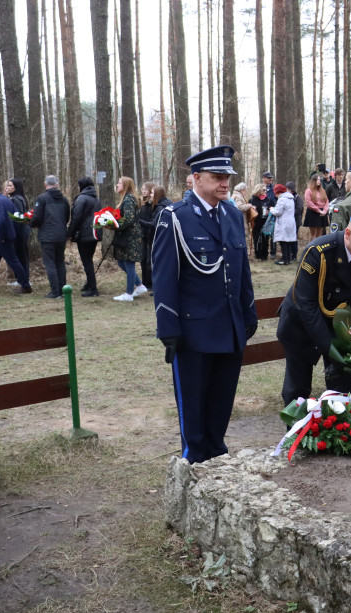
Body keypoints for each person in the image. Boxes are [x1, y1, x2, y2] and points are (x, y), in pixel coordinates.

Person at [152, 145, 258, 464]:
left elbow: (241, 270)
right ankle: (195, 461)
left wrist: (248, 314)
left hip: (229, 327)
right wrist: (168, 328)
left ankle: (217, 454)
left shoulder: (230, 214)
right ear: (196, 179)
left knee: (222, 401)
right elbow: (164, 278)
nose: (225, 183)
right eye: (217, 177)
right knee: (195, 404)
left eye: (227, 177)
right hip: (193, 331)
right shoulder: (175, 217)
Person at [276, 205, 351, 406]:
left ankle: (342, 432)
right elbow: (306, 305)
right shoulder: (318, 252)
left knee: (345, 388)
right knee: (297, 390)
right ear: (348, 233)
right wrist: (330, 349)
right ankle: (296, 434)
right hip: (300, 325)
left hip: (339, 327)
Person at [29, 175, 71, 299]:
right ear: (57, 184)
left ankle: (55, 291)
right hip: (61, 234)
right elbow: (67, 217)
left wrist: (32, 223)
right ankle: (63, 290)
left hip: (47, 236)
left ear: (45, 184)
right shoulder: (64, 200)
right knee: (60, 262)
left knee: (50, 264)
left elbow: (36, 217)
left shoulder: (42, 198)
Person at [112, 176, 146, 302]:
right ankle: (140, 286)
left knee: (128, 262)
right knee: (121, 261)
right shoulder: (126, 198)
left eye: (119, 183)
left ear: (125, 185)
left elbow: (129, 219)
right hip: (127, 235)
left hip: (131, 236)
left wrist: (114, 225)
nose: (117, 184)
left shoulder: (129, 199)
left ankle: (129, 293)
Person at [68, 176, 102, 297]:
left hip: (84, 234)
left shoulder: (81, 198)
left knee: (86, 261)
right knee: (89, 260)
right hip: (95, 232)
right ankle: (90, 284)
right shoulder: (96, 199)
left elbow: (76, 217)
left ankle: (93, 288)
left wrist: (70, 233)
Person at [4, 178, 31, 285]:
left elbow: (18, 217)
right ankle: (23, 278)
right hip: (21, 231)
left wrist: (13, 233)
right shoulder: (19, 198)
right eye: (7, 185)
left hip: (19, 232)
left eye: (10, 186)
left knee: (21, 255)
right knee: (22, 255)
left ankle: (22, 279)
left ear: (16, 187)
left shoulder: (16, 199)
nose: (7, 187)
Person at [271, 184, 297, 266]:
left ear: (278, 192)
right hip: (290, 222)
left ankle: (284, 259)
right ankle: (288, 258)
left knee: (283, 242)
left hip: (283, 222)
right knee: (288, 241)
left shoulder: (282, 199)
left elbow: (278, 212)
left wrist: (272, 209)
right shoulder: (290, 199)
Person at [303, 173, 330, 241]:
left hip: (322, 213)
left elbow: (326, 201)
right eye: (318, 179)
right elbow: (309, 203)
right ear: (314, 181)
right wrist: (318, 210)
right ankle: (313, 249)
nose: (319, 181)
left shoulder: (322, 190)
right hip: (313, 213)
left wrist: (324, 210)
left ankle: (318, 249)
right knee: (313, 234)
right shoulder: (308, 191)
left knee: (319, 233)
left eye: (320, 180)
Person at [249, 184, 270, 260]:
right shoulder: (252, 199)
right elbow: (249, 209)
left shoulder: (267, 199)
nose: (265, 191)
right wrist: (252, 209)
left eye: (266, 190)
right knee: (257, 238)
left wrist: (269, 211)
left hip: (265, 221)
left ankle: (265, 255)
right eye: (264, 190)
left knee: (265, 238)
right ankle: (258, 254)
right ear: (259, 190)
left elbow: (272, 207)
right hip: (256, 221)